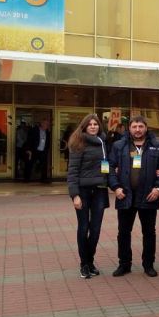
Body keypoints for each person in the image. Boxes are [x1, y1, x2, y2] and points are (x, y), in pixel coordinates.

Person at [108, 115, 159, 277]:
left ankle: (148, 264)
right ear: (129, 128)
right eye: (134, 127)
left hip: (149, 196)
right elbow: (109, 168)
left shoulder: (158, 146)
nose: (137, 130)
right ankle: (124, 264)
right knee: (123, 232)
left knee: (149, 232)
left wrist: (158, 188)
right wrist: (115, 188)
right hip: (125, 195)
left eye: (140, 126)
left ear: (146, 128)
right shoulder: (118, 146)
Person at [66, 114, 109, 279]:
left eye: (95, 124)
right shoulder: (78, 143)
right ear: (84, 127)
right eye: (90, 124)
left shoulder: (102, 142)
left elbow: (106, 166)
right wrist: (75, 195)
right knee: (84, 227)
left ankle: (90, 261)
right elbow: (73, 171)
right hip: (83, 191)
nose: (93, 126)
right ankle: (84, 263)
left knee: (96, 229)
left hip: (99, 190)